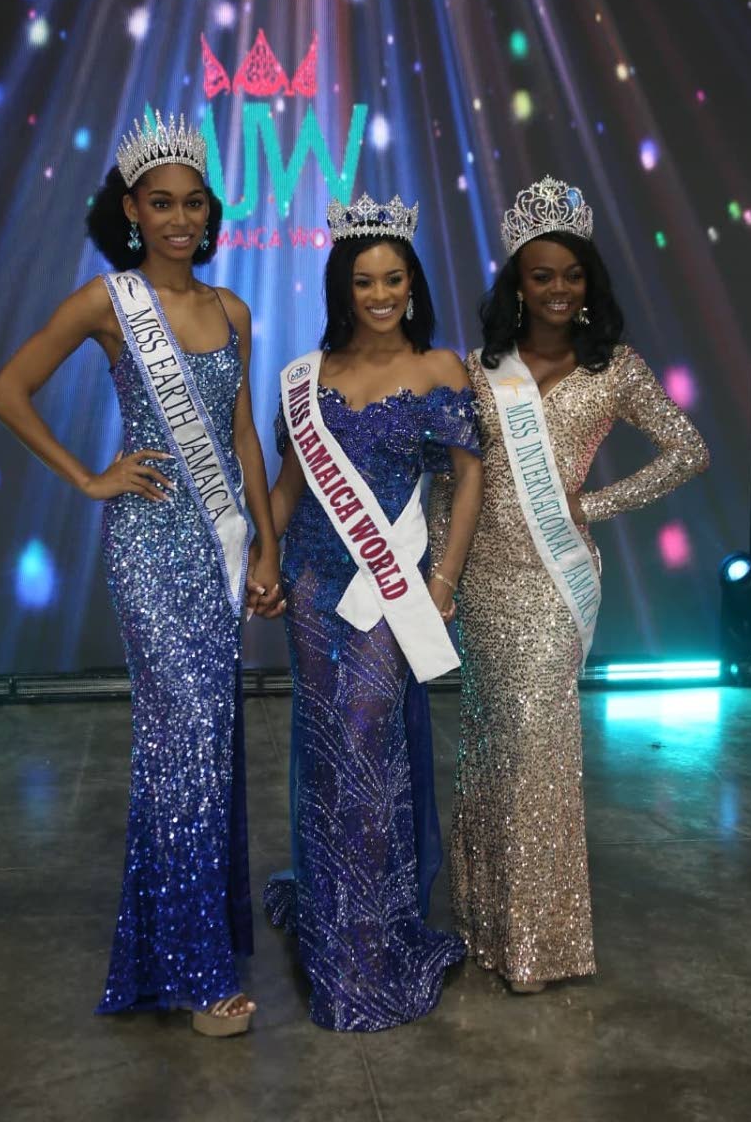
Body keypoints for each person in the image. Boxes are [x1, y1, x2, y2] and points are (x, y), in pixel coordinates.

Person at [0, 110, 283, 1036]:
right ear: (132, 209)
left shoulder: (232, 310)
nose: (181, 219)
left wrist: (267, 546)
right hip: (150, 549)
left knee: (201, 747)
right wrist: (89, 477)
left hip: (221, 546)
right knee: (182, 743)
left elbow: (240, 439)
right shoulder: (105, 302)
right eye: (162, 204)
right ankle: (196, 975)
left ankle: (180, 943)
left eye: (195, 203)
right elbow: (6, 388)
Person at [429, 175, 709, 994]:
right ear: (517, 280)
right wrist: (439, 568)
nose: (557, 289)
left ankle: (541, 944)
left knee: (537, 750)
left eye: (572, 274)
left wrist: (592, 504)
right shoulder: (481, 369)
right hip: (481, 577)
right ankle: (485, 922)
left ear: (591, 282)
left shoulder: (614, 368)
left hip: (554, 581)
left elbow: (687, 449)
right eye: (541, 274)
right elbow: (454, 479)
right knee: (486, 748)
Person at [263, 192, 483, 1030]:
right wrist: (263, 561)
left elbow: (469, 481)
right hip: (316, 590)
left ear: (413, 284)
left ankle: (374, 938)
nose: (382, 294)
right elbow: (288, 490)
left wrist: (443, 579)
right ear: (342, 287)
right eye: (365, 281)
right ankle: (332, 921)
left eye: (394, 279)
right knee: (327, 755)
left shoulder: (441, 370)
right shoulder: (308, 376)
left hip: (393, 593)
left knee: (370, 750)